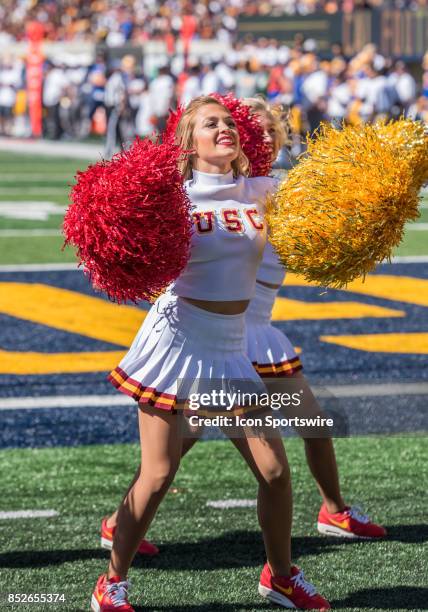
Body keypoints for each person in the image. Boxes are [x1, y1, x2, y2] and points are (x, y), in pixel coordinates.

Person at [91, 95, 330, 611]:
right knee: (157, 474)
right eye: (209, 124)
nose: (223, 129)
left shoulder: (264, 190)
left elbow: (329, 196)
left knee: (273, 471)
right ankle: (112, 581)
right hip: (177, 339)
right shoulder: (173, 197)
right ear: (189, 141)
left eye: (227, 122)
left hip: (229, 346)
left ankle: (281, 577)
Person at [243, 95, 386, 539]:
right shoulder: (223, 190)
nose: (266, 138)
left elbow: (313, 243)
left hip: (260, 333)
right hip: (219, 337)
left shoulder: (285, 191)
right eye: (256, 130)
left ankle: (334, 510)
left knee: (315, 422)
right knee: (169, 455)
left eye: (271, 130)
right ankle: (119, 527)